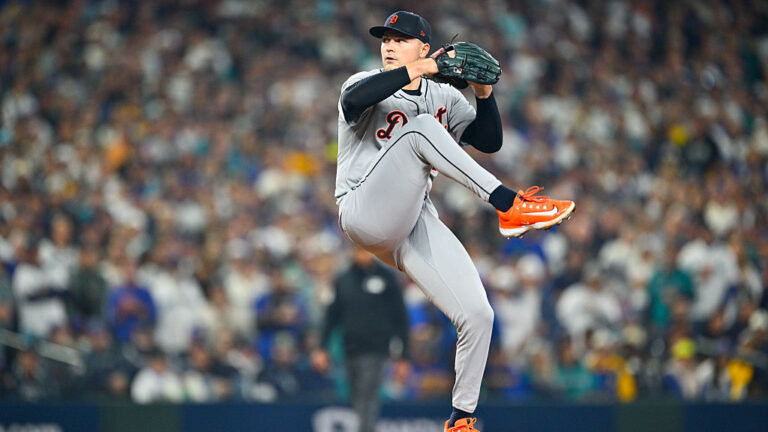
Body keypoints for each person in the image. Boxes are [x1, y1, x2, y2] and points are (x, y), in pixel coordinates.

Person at [334, 11, 576, 431]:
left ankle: (462, 418)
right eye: (385, 39)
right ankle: (508, 204)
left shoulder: (443, 97)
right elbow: (354, 103)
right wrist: (421, 68)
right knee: (421, 128)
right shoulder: (362, 82)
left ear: (424, 45)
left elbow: (489, 141)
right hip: (361, 207)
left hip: (410, 221)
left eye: (400, 39)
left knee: (478, 314)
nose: (388, 46)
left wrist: (485, 94)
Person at [313, 247, 409, 432]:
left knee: (368, 398)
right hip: (349, 350)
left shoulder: (387, 278)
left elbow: (400, 318)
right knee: (357, 399)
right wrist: (322, 348)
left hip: (376, 350)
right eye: (358, 250)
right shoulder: (343, 279)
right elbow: (332, 316)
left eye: (365, 250)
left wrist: (403, 356)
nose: (361, 254)